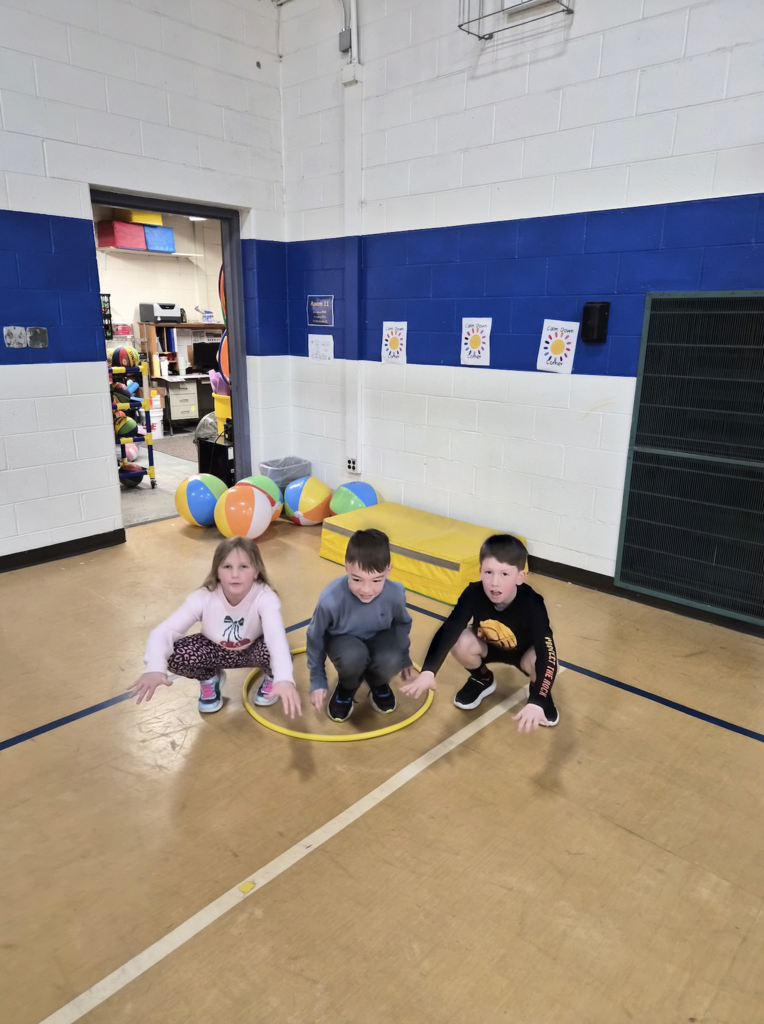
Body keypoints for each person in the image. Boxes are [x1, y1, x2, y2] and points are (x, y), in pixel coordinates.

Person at [127, 536, 301, 718]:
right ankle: (209, 678)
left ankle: (273, 679)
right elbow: (164, 631)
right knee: (173, 654)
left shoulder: (265, 597)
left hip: (253, 649)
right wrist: (154, 667)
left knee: (279, 653)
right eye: (227, 567)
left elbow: (275, 637)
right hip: (214, 651)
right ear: (217, 571)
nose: (235, 574)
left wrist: (284, 678)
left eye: (244, 566)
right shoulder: (203, 597)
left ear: (256, 571)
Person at [401, 534, 558, 733]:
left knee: (545, 661)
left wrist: (538, 700)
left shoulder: (533, 603)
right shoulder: (473, 593)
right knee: (459, 641)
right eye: (489, 572)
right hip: (487, 646)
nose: (494, 582)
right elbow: (450, 628)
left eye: (504, 574)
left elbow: (547, 651)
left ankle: (539, 692)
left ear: (520, 577)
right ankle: (482, 679)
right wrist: (428, 671)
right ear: (480, 571)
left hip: (523, 653)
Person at [307, 528, 416, 722]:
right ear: (347, 566)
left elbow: (401, 623)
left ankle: (378, 683)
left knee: (392, 658)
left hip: (380, 637)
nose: (366, 590)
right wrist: (318, 678)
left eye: (376, 580)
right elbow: (315, 637)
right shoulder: (330, 599)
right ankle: (347, 687)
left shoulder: (396, 593)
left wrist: (404, 656)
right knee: (353, 657)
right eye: (357, 579)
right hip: (343, 641)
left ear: (388, 570)